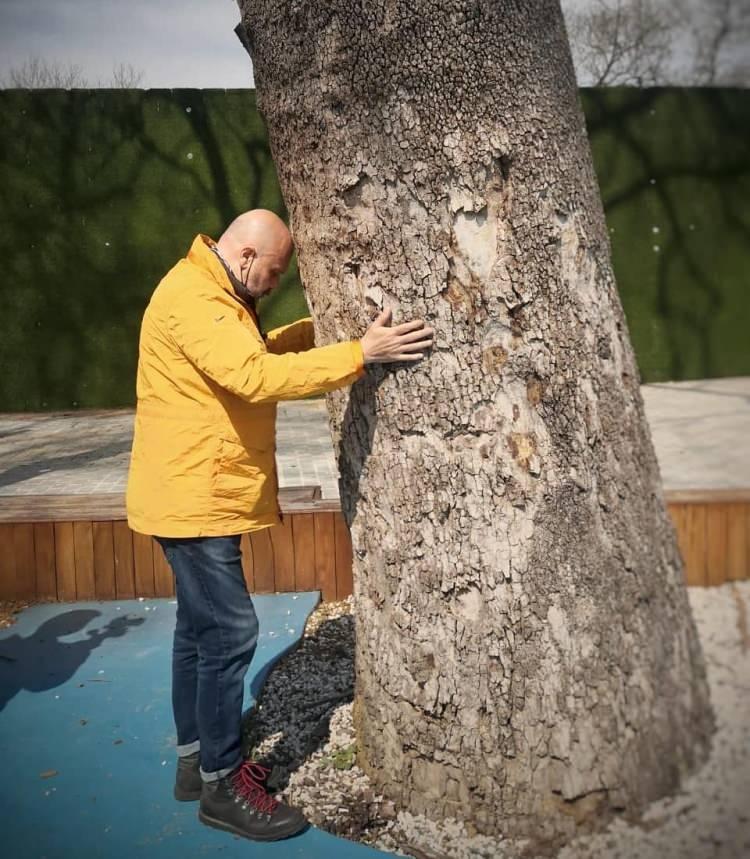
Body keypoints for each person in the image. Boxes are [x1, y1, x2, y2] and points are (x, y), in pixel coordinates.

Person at [125, 209, 434, 842]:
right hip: (193, 497)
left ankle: (193, 765)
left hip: (190, 490)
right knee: (232, 633)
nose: (271, 285)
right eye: (272, 274)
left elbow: (250, 355)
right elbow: (254, 377)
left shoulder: (209, 290)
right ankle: (219, 785)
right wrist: (359, 353)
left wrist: (318, 329)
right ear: (244, 259)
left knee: (198, 629)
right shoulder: (195, 298)